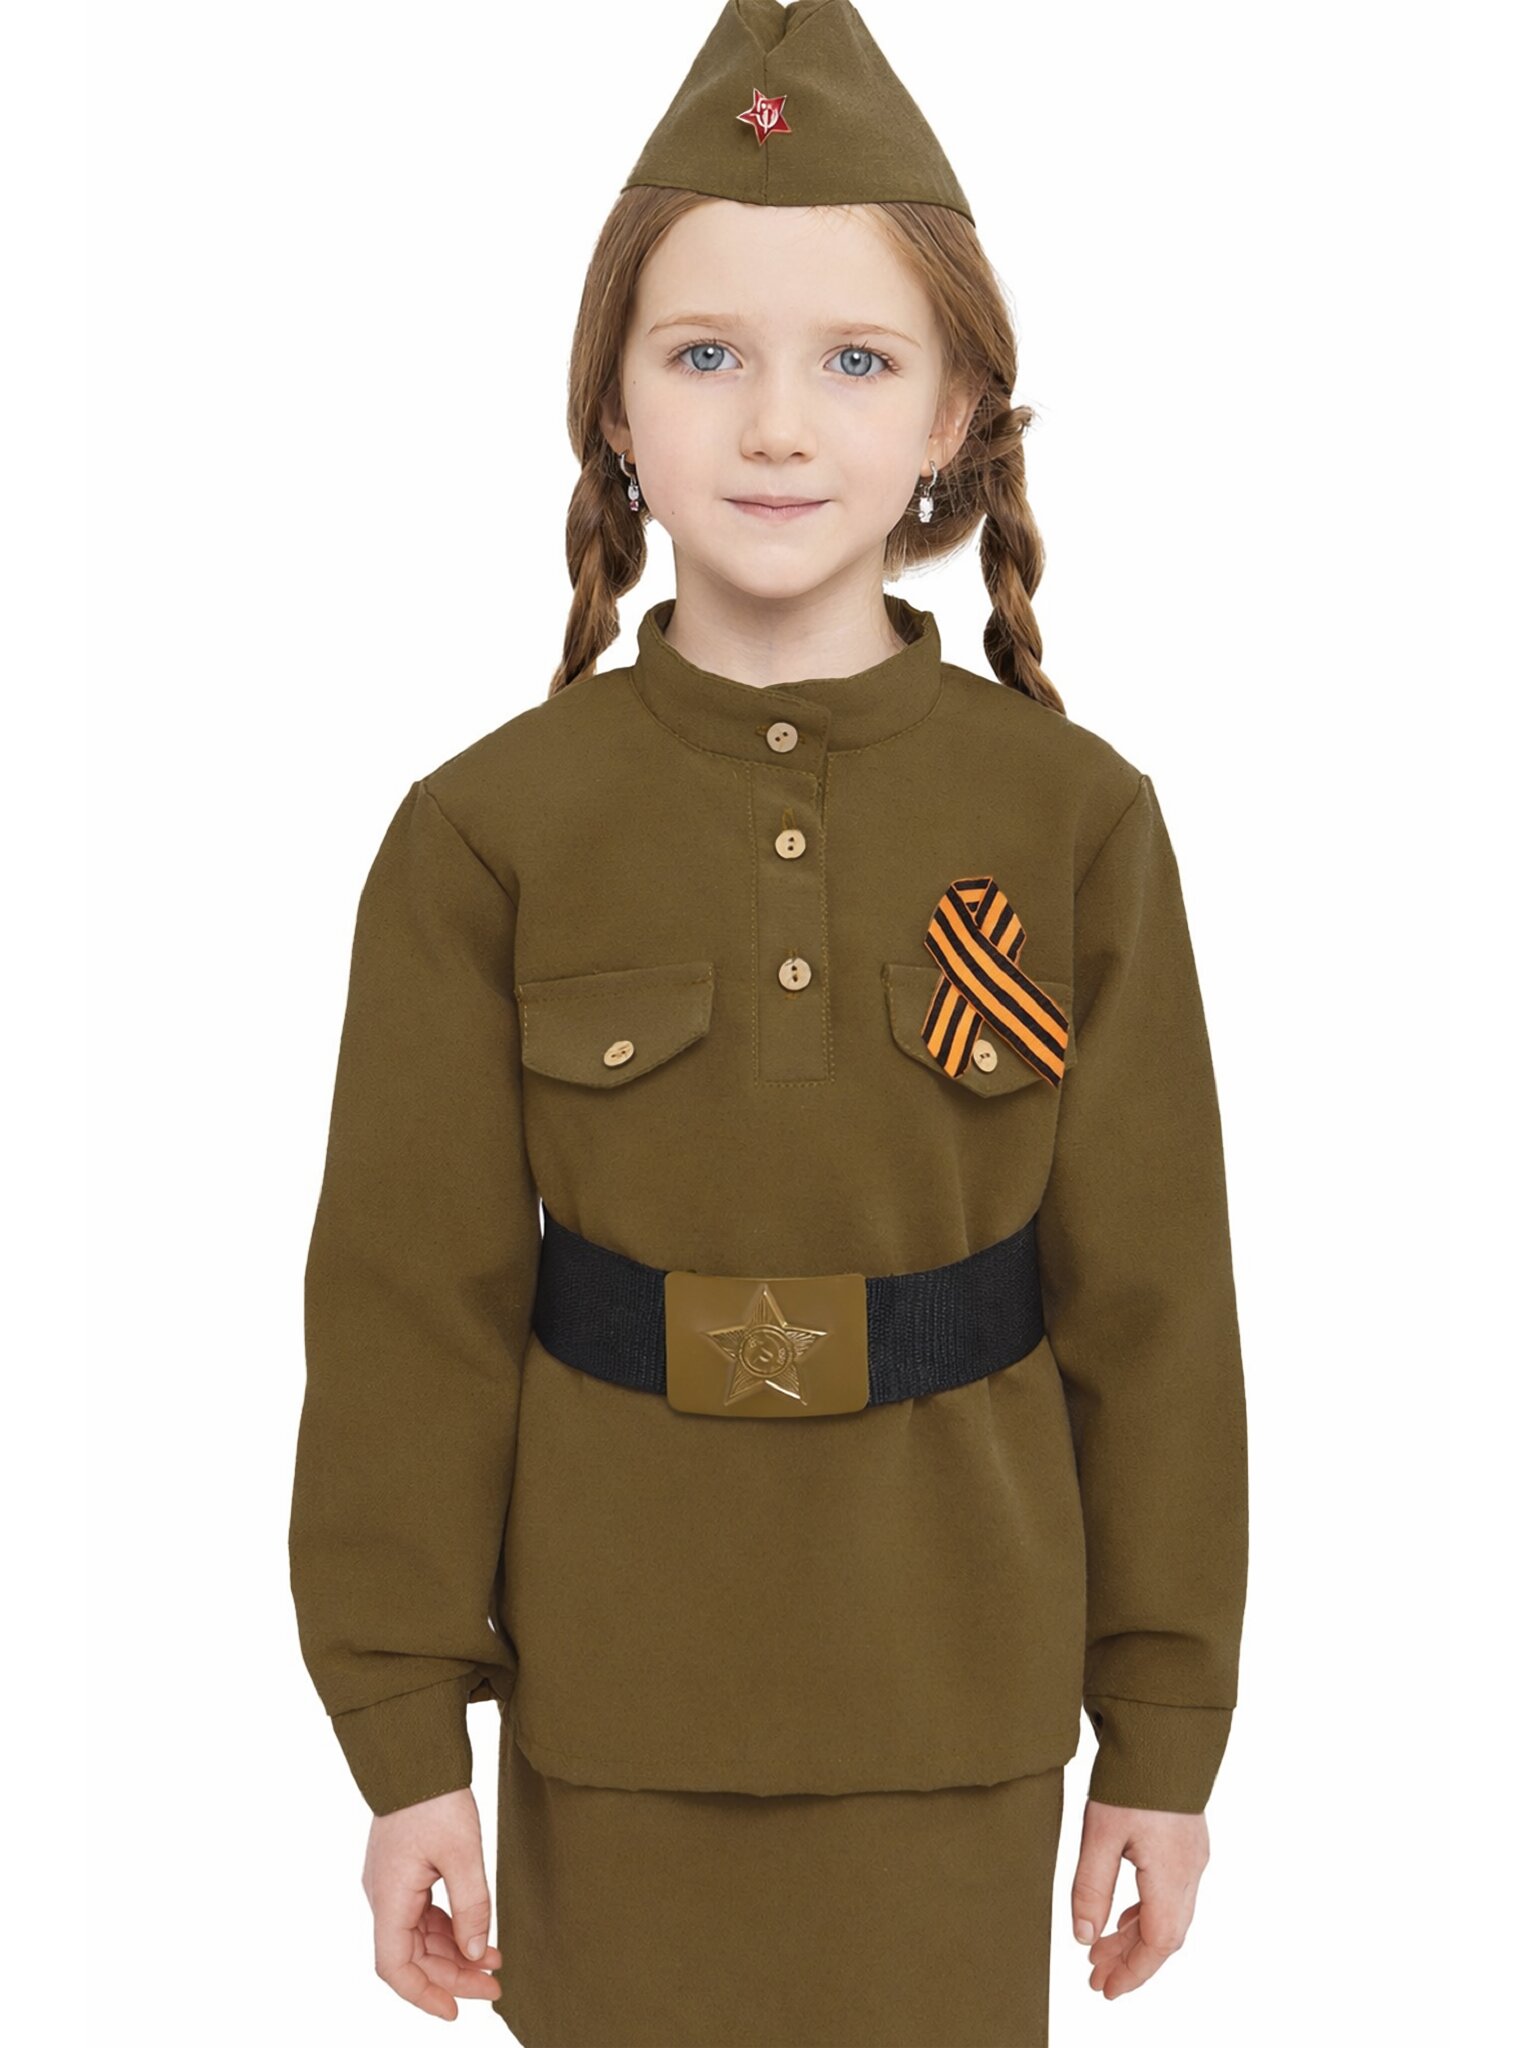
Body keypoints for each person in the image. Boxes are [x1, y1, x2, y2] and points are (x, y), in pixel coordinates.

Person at [287, 2, 1249, 2041]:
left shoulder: (1075, 823)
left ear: (960, 413)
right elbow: (406, 1314)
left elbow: (1158, 1311)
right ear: (613, 407)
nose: (779, 428)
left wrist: (1163, 1734)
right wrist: (403, 1741)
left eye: (858, 361)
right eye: (705, 354)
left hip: (957, 1698)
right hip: (613, 1705)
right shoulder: (488, 833)